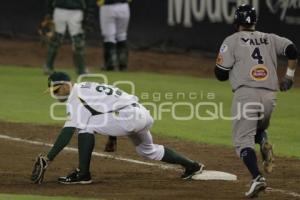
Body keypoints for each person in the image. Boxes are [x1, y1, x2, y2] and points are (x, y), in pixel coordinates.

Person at [34, 71, 204, 184]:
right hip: (140, 113)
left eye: (56, 90)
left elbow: (67, 132)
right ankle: (192, 166)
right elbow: (107, 106)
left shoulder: (75, 98)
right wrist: (112, 137)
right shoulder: (86, 86)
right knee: (147, 150)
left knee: (85, 126)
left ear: (65, 85)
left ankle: (83, 174)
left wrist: (49, 158)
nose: (54, 94)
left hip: (127, 118)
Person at [215, 4, 298, 198]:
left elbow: (220, 74)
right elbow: (292, 50)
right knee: (258, 128)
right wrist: (289, 76)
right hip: (270, 97)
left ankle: (257, 178)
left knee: (242, 141)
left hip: (246, 95)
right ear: (254, 22)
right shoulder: (270, 38)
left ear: (236, 22)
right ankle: (264, 141)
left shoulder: (232, 40)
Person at [43, 0, 95, 75]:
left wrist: (89, 11)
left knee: (77, 41)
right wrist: (49, 10)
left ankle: (81, 69)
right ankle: (48, 67)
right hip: (60, 9)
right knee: (56, 38)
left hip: (76, 10)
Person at [97, 0, 131, 71]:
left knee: (109, 37)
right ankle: (123, 65)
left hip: (108, 6)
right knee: (122, 35)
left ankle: (110, 65)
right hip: (123, 6)